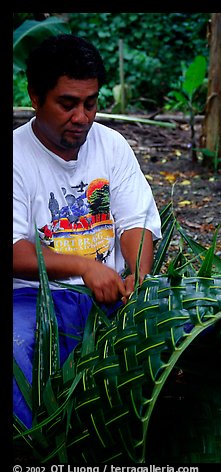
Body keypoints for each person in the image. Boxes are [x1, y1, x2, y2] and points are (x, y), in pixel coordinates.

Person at [13, 34, 162, 428]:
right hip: (34, 299)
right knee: (19, 354)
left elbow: (135, 222)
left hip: (109, 295)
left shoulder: (111, 146)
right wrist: (86, 267)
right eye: (67, 104)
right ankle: (34, 449)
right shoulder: (15, 156)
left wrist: (138, 274)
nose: (82, 116)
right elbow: (14, 252)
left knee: (180, 333)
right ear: (35, 96)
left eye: (90, 103)